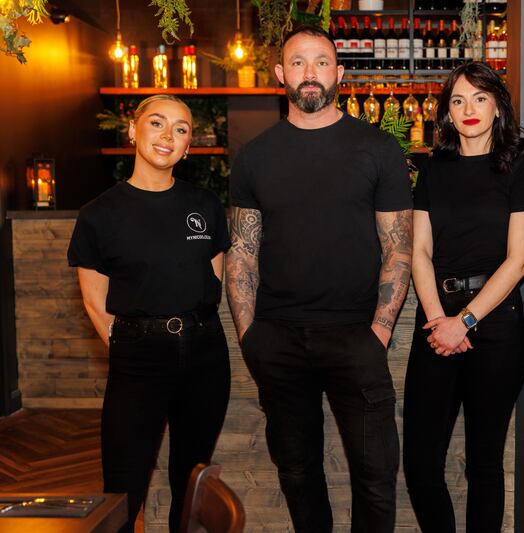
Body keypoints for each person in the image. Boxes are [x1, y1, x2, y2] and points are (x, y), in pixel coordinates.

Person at [225, 24, 413, 533]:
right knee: (298, 471)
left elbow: (399, 248)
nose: (311, 73)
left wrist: (378, 331)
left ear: (340, 73)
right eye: (299, 62)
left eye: (322, 62)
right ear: (281, 73)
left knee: (376, 476)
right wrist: (250, 335)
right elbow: (242, 253)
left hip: (356, 337)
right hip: (279, 339)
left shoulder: (377, 149)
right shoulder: (255, 157)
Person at [67, 94, 231, 533]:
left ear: (188, 146)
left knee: (192, 480)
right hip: (138, 359)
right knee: (124, 485)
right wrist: (134, 346)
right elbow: (95, 302)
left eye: (180, 130)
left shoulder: (206, 206)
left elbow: (210, 282)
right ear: (133, 130)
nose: (167, 136)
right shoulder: (99, 215)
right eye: (157, 123)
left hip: (205, 356)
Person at [402, 61, 524, 532]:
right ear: (447, 112)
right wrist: (442, 320)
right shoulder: (433, 169)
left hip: (496, 326)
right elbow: (419, 251)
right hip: (435, 321)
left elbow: (517, 261)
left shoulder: (521, 168)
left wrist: (464, 322)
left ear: (498, 105)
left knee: (484, 463)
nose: (469, 109)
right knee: (420, 464)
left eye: (480, 98)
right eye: (457, 100)